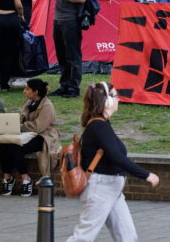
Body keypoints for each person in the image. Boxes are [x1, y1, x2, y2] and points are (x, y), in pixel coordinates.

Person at [67, 82, 160, 242]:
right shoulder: (98, 126)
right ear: (106, 101)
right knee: (83, 237)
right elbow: (117, 156)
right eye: (116, 96)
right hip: (100, 188)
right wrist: (146, 175)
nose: (119, 99)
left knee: (127, 237)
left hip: (112, 189)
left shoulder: (102, 125)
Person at [0, 78, 61, 197]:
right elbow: (22, 119)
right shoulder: (29, 102)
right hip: (27, 133)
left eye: (27, 89)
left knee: (14, 146)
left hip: (42, 136)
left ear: (36, 92)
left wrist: (20, 127)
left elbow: (38, 127)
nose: (24, 91)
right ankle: (7, 177)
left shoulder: (47, 106)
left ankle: (26, 179)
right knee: (3, 143)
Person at [47, 0, 87, 98]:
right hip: (58, 18)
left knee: (73, 55)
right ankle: (64, 85)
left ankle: (73, 87)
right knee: (61, 55)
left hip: (71, 19)